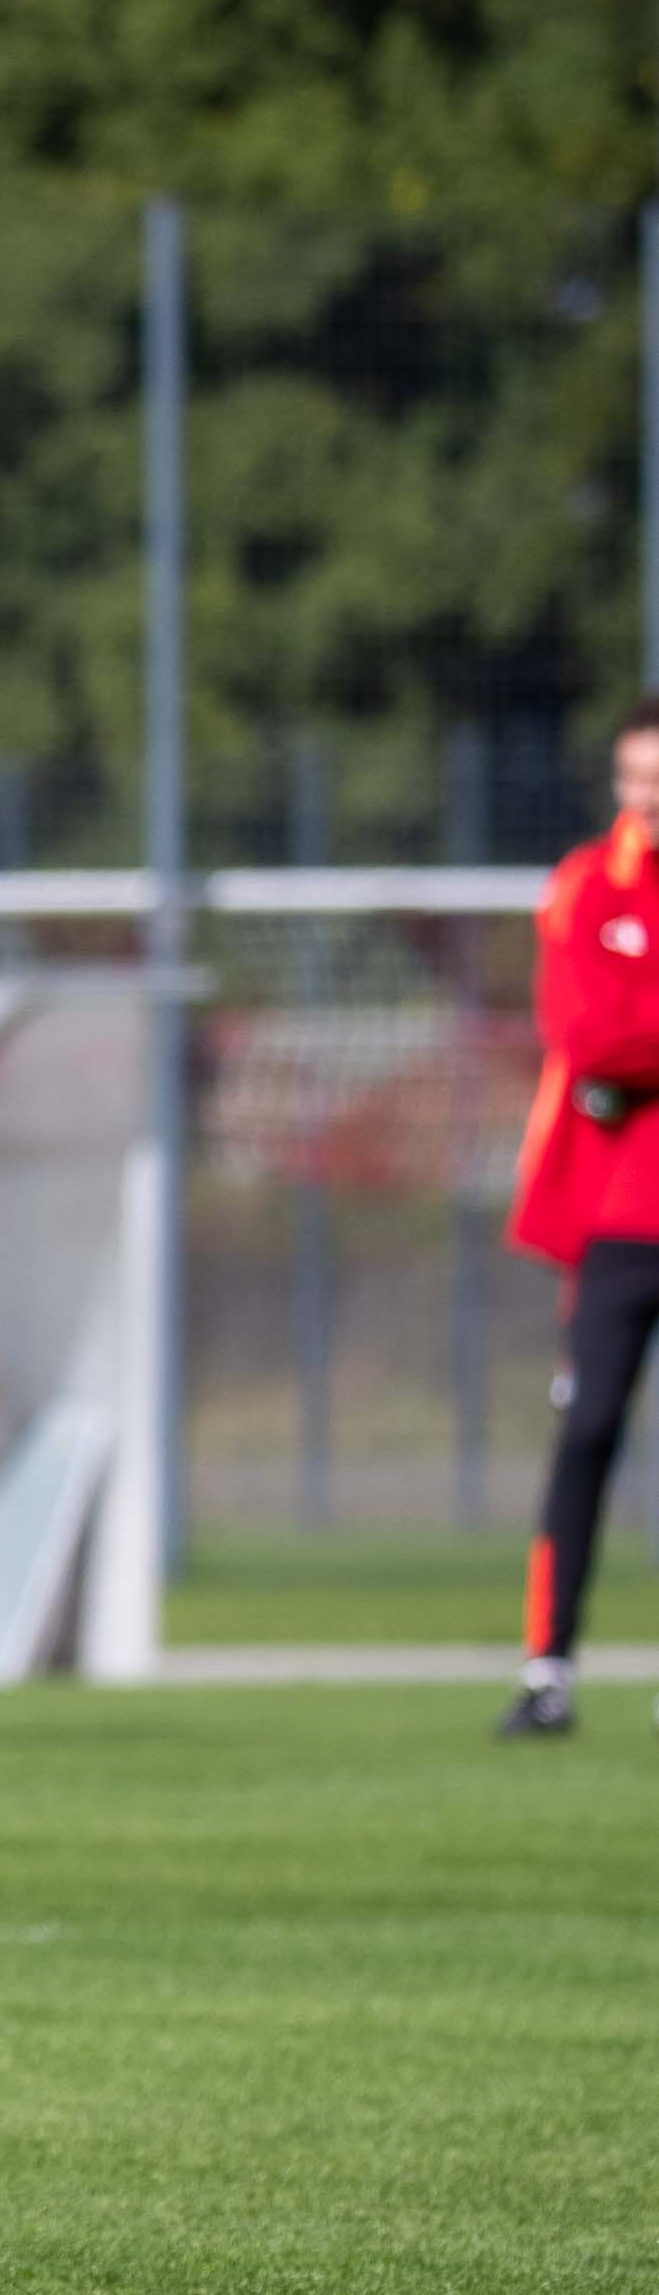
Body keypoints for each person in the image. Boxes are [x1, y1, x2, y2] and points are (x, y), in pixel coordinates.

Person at [495, 693, 659, 1739]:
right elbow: (587, 1039)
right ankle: (548, 1669)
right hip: (618, 1218)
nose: (647, 799)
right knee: (588, 1428)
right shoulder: (586, 887)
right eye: (635, 780)